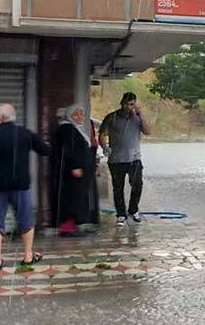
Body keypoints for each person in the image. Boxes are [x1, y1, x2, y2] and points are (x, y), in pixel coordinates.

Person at [0, 104, 51, 270]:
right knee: (25, 221)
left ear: (0, 119)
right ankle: (28, 257)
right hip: (20, 185)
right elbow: (45, 150)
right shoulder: (25, 134)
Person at [100, 92, 152, 226]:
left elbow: (148, 131)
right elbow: (102, 133)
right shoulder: (112, 117)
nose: (130, 107)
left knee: (137, 185)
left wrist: (142, 115)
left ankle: (133, 210)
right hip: (117, 159)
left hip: (134, 159)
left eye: (133, 104)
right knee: (118, 188)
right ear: (122, 104)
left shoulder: (137, 118)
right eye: (128, 104)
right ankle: (121, 214)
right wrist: (105, 146)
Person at [50, 105, 97, 236]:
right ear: (70, 116)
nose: (80, 117)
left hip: (80, 173)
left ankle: (76, 225)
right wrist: (74, 166)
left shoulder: (76, 129)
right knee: (71, 199)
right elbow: (69, 150)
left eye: (82, 114)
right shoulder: (67, 129)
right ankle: (67, 228)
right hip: (71, 174)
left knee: (78, 198)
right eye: (76, 114)